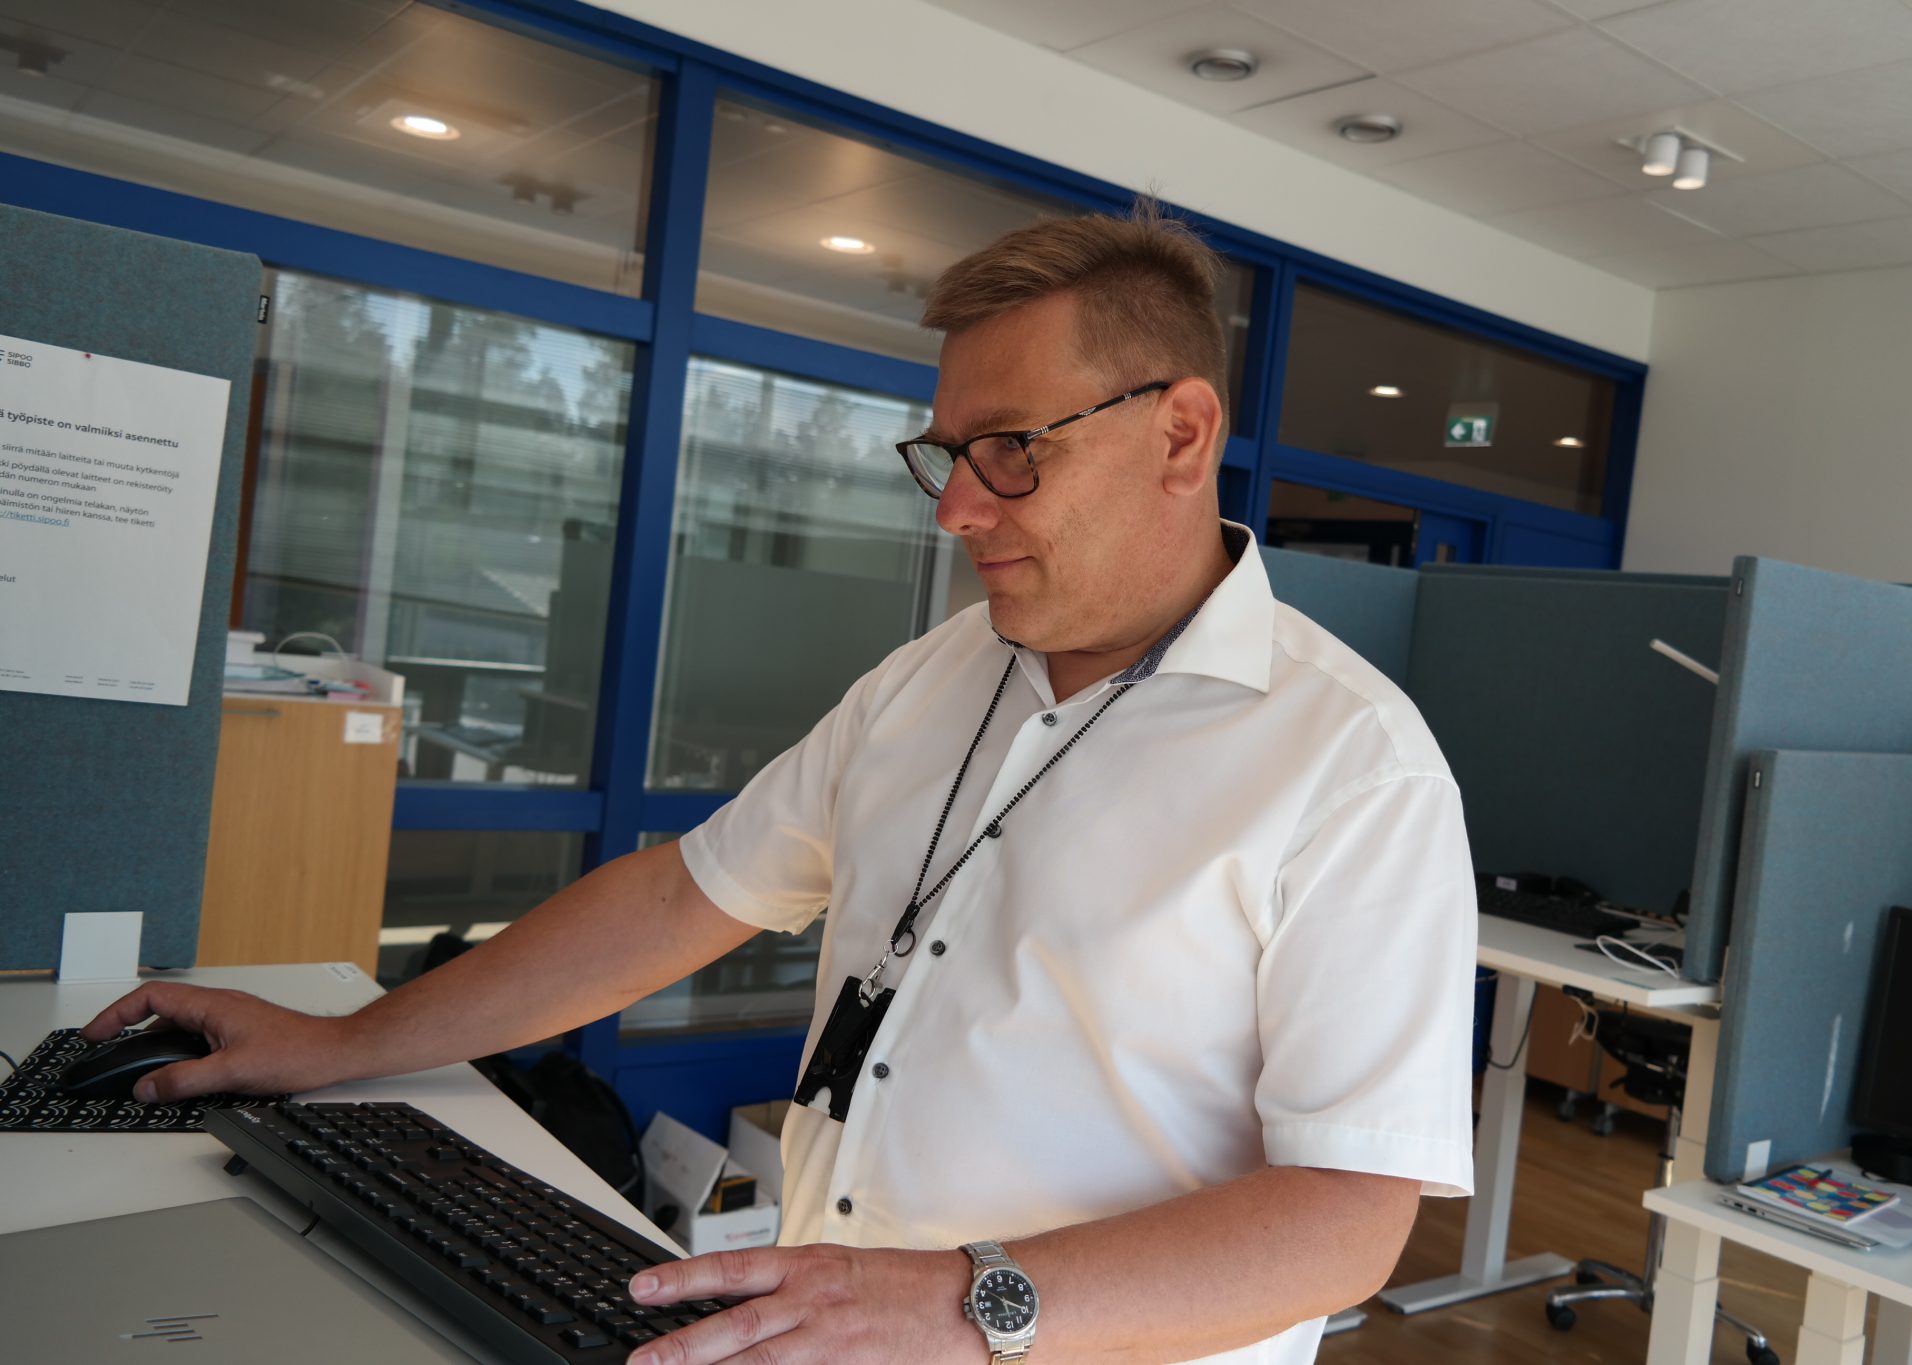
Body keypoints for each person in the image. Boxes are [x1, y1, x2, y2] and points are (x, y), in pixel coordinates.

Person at [87, 205, 1477, 1365]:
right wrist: (340, 1046)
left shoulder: (1354, 764)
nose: (956, 509)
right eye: (947, 456)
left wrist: (959, 1302)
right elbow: (680, 899)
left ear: (1179, 434)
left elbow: (1348, 1218)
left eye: (1012, 449)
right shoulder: (934, 676)